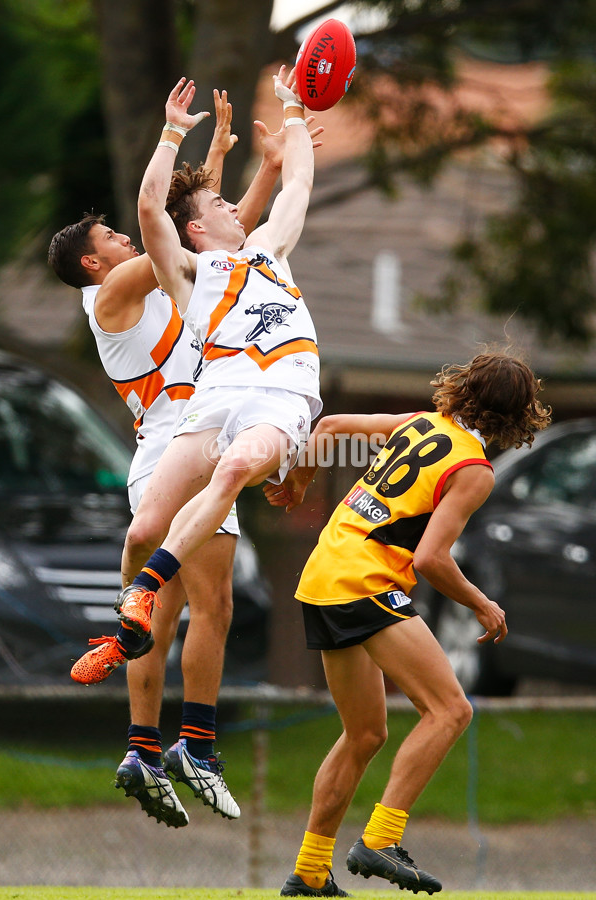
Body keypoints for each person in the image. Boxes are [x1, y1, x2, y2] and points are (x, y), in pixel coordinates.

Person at [48, 91, 321, 828]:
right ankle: (161, 736)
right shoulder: (109, 297)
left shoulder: (176, 287)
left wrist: (244, 168)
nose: (124, 244)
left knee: (207, 605)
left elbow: (223, 239)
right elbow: (176, 229)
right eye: (109, 239)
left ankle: (160, 743)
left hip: (213, 427)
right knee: (176, 603)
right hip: (176, 440)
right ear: (89, 262)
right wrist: (206, 161)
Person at [262, 350, 551, 897]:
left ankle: (308, 872)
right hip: (366, 582)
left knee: (365, 733)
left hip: (323, 574)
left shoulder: (422, 424)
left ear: (463, 391)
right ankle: (381, 838)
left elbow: (332, 427)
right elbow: (431, 560)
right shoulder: (473, 469)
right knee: (450, 709)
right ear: (518, 419)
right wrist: (483, 604)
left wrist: (300, 480)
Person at [82, 68, 322, 658]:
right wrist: (170, 133)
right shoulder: (189, 272)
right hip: (216, 397)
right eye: (220, 202)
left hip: (280, 396)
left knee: (236, 468)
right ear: (196, 227)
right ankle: (128, 626)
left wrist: (294, 112)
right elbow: (148, 210)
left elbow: (298, 189)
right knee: (141, 530)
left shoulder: (268, 249)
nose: (235, 208)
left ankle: (149, 585)